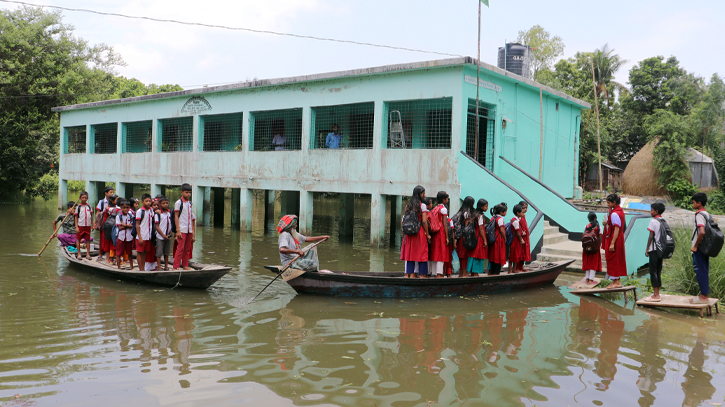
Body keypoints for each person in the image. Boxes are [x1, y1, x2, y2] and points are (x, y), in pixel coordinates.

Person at [401, 186, 430, 278]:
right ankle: (421, 275)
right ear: (420, 194)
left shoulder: (408, 205)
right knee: (422, 252)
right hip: (419, 232)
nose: (424, 195)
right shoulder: (422, 205)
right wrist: (428, 234)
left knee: (410, 252)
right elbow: (424, 221)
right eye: (423, 193)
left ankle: (410, 274)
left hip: (409, 233)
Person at [603, 194, 627, 288]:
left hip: (614, 238)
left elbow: (616, 229)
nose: (607, 204)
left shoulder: (614, 214)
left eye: (609, 203)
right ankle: (614, 281)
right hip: (618, 238)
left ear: (614, 202)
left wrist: (612, 243)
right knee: (615, 258)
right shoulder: (619, 211)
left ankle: (616, 281)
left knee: (612, 259)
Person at [690, 192, 711, 304]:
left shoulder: (699, 215)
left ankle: (704, 295)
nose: (693, 204)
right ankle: (704, 293)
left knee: (699, 270)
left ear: (699, 203)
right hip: (706, 247)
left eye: (694, 202)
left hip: (700, 248)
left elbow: (701, 232)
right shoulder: (707, 214)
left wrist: (695, 246)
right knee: (704, 270)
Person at [644, 203, 666, 301]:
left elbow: (651, 236)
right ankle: (657, 293)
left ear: (656, 211)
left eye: (651, 210)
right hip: (661, 249)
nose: (650, 212)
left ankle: (656, 295)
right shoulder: (663, 221)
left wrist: (647, 248)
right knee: (658, 270)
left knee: (653, 271)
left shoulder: (653, 221)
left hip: (654, 249)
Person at [428, 191, 451, 278]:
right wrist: (447, 237)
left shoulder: (434, 208)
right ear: (444, 199)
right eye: (447, 199)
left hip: (434, 232)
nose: (447, 200)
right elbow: (445, 224)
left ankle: (434, 272)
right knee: (441, 252)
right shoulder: (443, 209)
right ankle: (439, 273)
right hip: (441, 232)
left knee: (434, 251)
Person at [173, 184, 196, 270]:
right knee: (180, 249)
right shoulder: (179, 203)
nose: (188, 194)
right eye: (186, 192)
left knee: (187, 249)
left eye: (189, 193)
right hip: (182, 229)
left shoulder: (189, 203)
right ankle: (175, 267)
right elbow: (176, 216)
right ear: (182, 192)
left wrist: (193, 232)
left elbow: (190, 216)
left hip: (189, 229)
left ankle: (185, 265)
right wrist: (178, 230)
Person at [453, 196, 475, 277]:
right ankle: (464, 273)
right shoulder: (467, 213)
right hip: (464, 236)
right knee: (464, 254)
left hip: (459, 236)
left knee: (460, 254)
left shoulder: (460, 212)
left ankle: (461, 273)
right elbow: (466, 226)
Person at [467, 199, 489, 276]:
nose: (487, 208)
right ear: (481, 207)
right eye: (486, 206)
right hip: (479, 236)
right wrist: (485, 240)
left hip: (474, 236)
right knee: (478, 254)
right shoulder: (480, 216)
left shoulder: (474, 214)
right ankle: (475, 272)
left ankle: (472, 272)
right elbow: (481, 228)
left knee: (473, 253)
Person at [135, 194, 155, 271]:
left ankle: (143, 268)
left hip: (148, 236)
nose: (148, 203)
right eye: (146, 201)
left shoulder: (151, 210)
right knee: (140, 253)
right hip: (141, 236)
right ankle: (141, 269)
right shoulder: (140, 211)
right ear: (142, 202)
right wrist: (140, 237)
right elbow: (137, 225)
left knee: (145, 253)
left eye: (149, 201)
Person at [115, 200, 136, 270]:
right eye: (124, 207)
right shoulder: (119, 216)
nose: (126, 209)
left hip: (129, 237)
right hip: (121, 237)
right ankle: (118, 267)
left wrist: (125, 225)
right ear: (121, 207)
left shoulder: (131, 215)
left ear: (129, 208)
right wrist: (128, 226)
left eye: (127, 207)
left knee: (130, 253)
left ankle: (132, 267)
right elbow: (120, 228)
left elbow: (133, 225)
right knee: (118, 253)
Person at [582, 212, 602, 284]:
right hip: (595, 248)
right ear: (595, 218)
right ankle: (591, 280)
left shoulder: (586, 226)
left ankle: (587, 279)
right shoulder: (599, 227)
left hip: (586, 248)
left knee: (587, 262)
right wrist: (598, 248)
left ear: (589, 219)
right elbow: (600, 239)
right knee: (593, 263)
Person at [488, 203, 508, 275]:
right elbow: (502, 230)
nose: (505, 213)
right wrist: (505, 238)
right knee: (498, 255)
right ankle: (496, 273)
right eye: (505, 211)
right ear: (501, 212)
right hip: (498, 239)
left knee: (493, 255)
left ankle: (492, 272)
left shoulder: (493, 218)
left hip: (493, 238)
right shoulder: (500, 219)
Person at [154, 196, 173, 271]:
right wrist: (163, 235)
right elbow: (157, 226)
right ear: (160, 204)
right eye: (163, 203)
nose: (165, 204)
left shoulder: (169, 213)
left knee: (166, 252)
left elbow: (171, 224)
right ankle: (159, 267)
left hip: (168, 236)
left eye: (167, 203)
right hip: (160, 236)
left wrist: (170, 233)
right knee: (159, 252)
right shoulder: (158, 214)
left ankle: (166, 266)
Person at [74, 191, 94, 260]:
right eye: (82, 198)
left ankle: (88, 254)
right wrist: (76, 227)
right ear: (80, 198)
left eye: (85, 198)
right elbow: (76, 217)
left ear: (87, 198)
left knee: (88, 239)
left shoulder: (89, 206)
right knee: (78, 239)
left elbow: (91, 216)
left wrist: (92, 224)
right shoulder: (78, 207)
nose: (84, 199)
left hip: (87, 226)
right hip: (80, 225)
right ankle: (79, 253)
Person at [103, 194, 121, 263]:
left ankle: (113, 258)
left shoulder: (113, 208)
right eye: (117, 199)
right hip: (110, 227)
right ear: (113, 201)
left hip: (113, 227)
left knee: (113, 243)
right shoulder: (113, 209)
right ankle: (109, 258)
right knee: (109, 242)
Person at [509, 204, 526, 274]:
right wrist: (521, 240)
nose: (523, 213)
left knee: (513, 254)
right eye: (522, 212)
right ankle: (513, 269)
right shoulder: (516, 221)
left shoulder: (515, 219)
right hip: (515, 240)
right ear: (518, 213)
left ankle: (511, 270)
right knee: (515, 254)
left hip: (515, 240)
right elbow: (518, 233)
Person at [518, 201, 532, 266]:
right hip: (521, 237)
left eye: (526, 208)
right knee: (520, 252)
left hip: (525, 237)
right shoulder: (519, 218)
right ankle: (518, 267)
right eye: (524, 208)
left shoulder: (523, 216)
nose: (525, 209)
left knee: (524, 252)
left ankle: (521, 266)